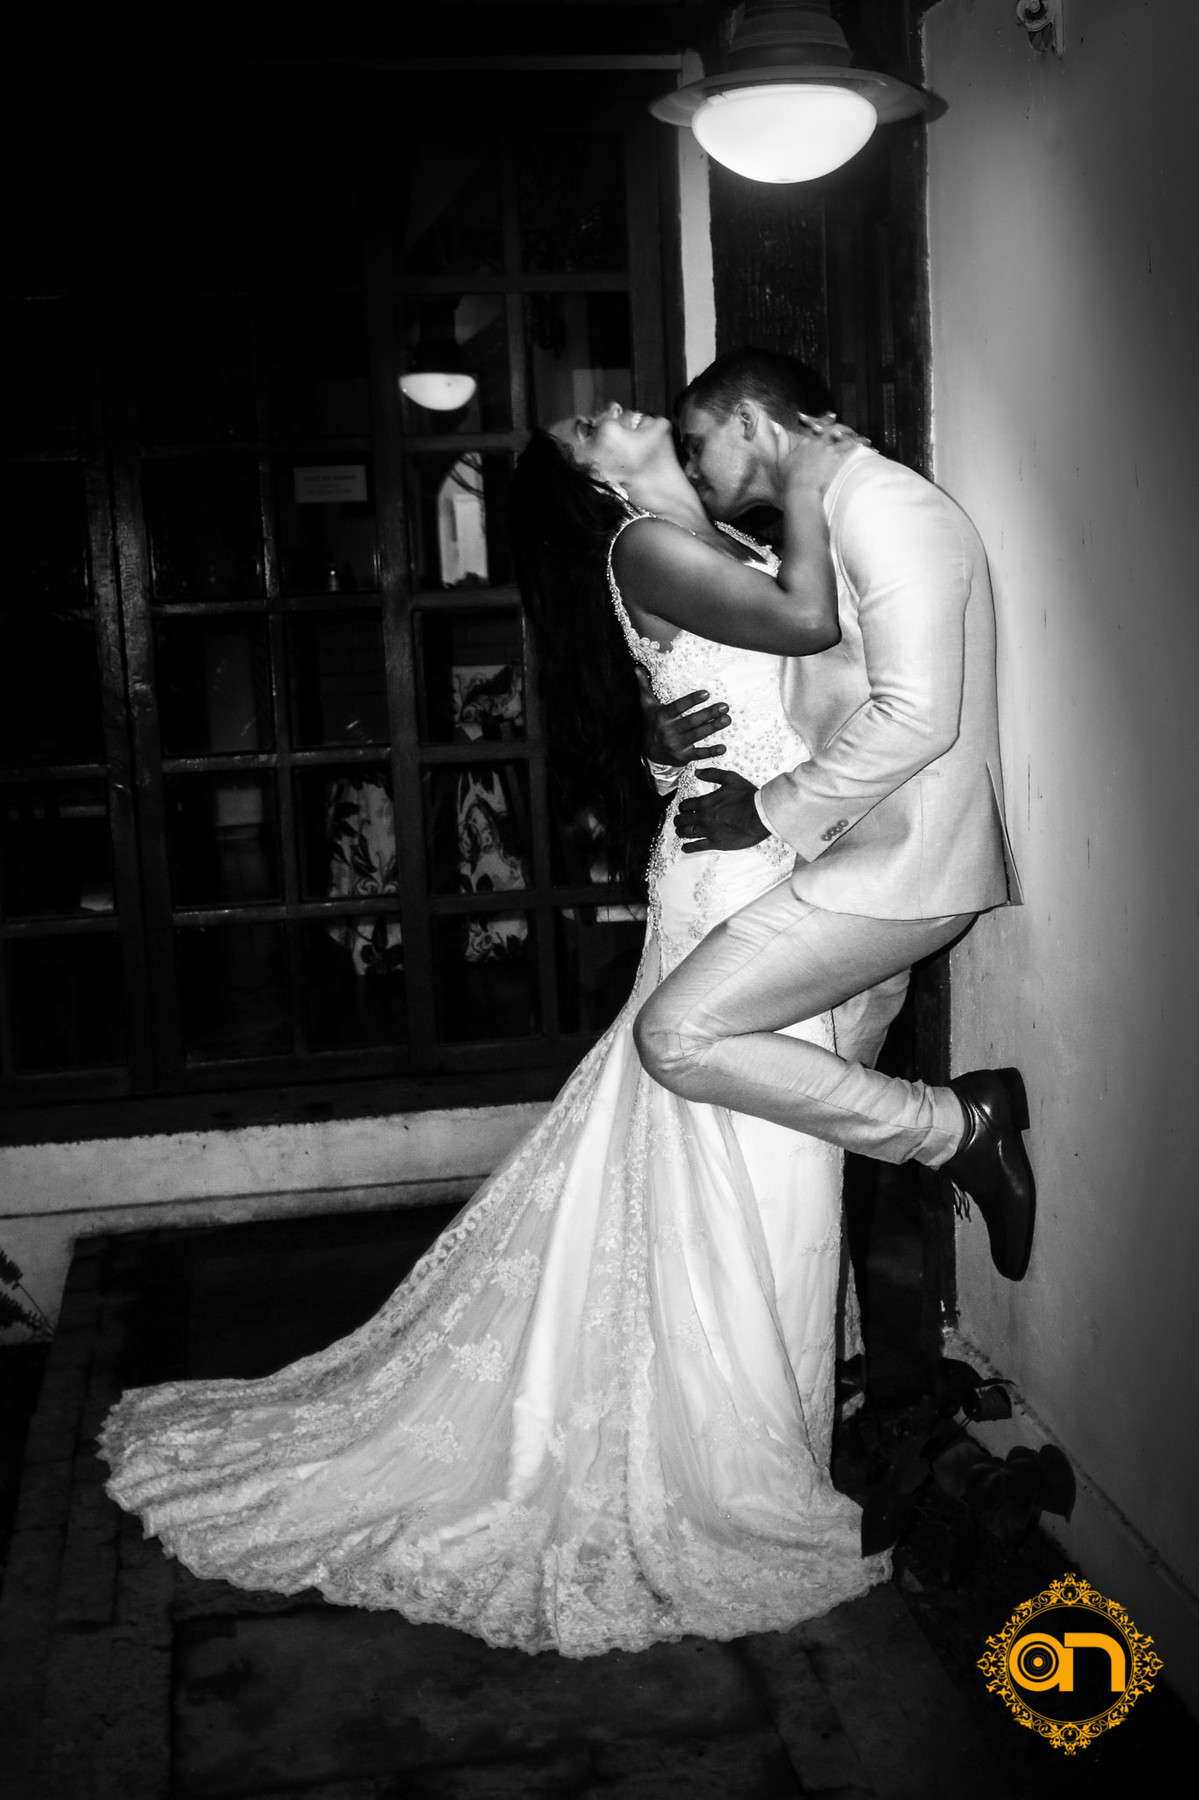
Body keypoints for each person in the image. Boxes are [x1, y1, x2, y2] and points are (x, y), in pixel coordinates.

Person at [100, 402, 891, 1660]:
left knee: (757, 1150)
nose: (613, 409)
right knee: (757, 1149)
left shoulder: (703, 539)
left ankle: (750, 1416)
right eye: (587, 426)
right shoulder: (643, 544)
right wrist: (815, 472)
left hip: (759, 854)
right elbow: (805, 626)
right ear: (591, 483)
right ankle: (735, 1453)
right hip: (740, 876)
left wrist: (672, 736)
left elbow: (764, 667)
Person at [634, 347, 1035, 1283]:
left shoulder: (884, 506)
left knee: (675, 1037)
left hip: (902, 867)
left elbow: (917, 716)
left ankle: (958, 1126)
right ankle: (817, 1346)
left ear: (749, 422)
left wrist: (767, 813)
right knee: (802, 1156)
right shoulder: (823, 517)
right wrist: (660, 740)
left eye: (696, 442)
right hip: (853, 858)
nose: (691, 466)